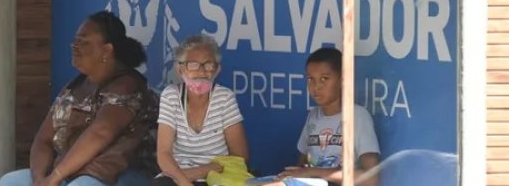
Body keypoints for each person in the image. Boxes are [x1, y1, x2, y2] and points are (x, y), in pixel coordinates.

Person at [0, 10, 159, 186]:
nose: (75, 46)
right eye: (75, 41)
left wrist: (55, 177)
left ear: (107, 50)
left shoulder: (127, 85)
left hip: (118, 175)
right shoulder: (76, 86)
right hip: (70, 173)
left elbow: (101, 132)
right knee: (10, 182)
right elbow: (43, 139)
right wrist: (39, 179)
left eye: (83, 42)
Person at [268, 48, 380, 186]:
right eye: (311, 79)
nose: (317, 86)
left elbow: (371, 178)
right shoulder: (313, 116)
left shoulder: (357, 116)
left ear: (342, 80)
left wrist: (316, 172)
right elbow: (302, 166)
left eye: (324, 79)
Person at [153, 34, 248, 186]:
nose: (202, 72)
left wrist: (202, 171)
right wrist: (185, 181)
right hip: (177, 176)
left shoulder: (225, 98)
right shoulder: (171, 96)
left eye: (209, 65)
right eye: (193, 65)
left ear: (217, 70)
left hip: (216, 177)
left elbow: (240, 156)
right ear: (180, 69)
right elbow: (164, 154)